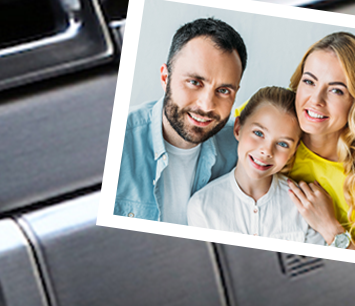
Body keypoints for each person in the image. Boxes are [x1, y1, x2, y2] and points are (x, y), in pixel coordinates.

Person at [113, 18, 246, 223]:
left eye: (223, 90)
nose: (206, 105)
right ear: (166, 79)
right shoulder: (116, 141)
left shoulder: (244, 149)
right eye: (194, 82)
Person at [284, 32, 355, 252]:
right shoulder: (259, 125)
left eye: (336, 90)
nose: (315, 100)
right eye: (309, 81)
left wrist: (331, 229)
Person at [187, 86, 326, 245]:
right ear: (238, 128)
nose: (267, 151)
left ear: (294, 150)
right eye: (259, 133)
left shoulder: (304, 207)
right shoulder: (203, 206)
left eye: (282, 143)